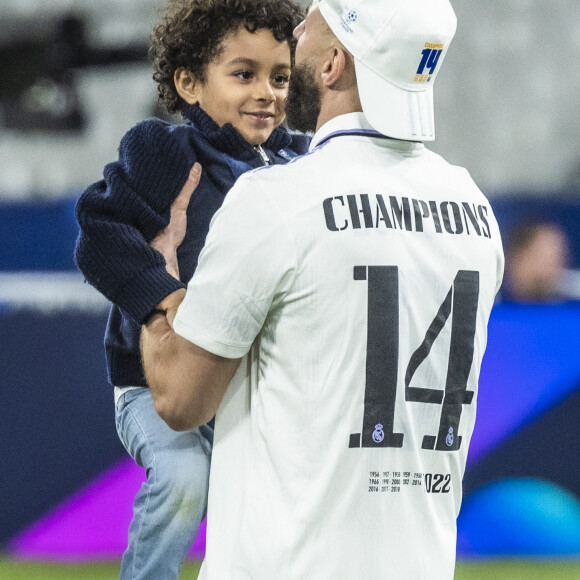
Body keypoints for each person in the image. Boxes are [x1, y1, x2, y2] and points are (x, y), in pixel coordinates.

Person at [141, 0, 505, 578]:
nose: (296, 30)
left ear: (334, 63)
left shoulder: (277, 200)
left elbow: (180, 400)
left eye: (312, 20)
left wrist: (154, 285)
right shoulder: (475, 212)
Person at [73, 0, 308, 578]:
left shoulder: (301, 162)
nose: (267, 93)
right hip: (154, 384)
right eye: (243, 74)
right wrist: (166, 298)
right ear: (188, 82)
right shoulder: (166, 151)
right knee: (183, 479)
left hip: (245, 389)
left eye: (279, 77)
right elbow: (98, 233)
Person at [501, 219, 572, 303]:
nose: (549, 272)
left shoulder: (566, 307)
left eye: (557, 262)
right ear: (519, 258)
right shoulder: (490, 300)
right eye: (544, 261)